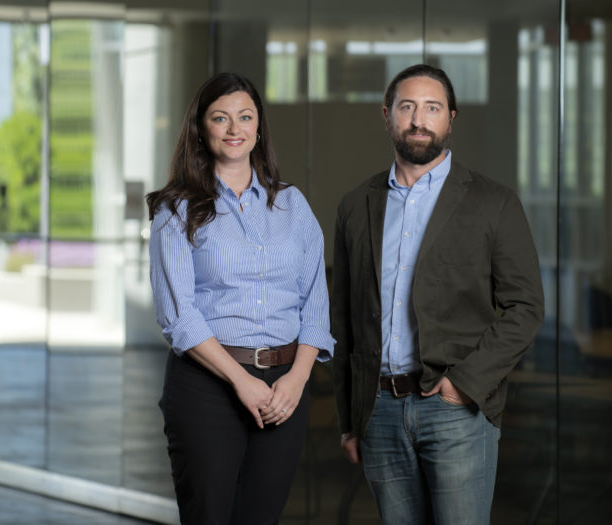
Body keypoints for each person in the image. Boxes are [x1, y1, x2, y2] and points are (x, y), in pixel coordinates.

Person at [331, 64, 545, 524]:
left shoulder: (493, 202)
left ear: (451, 118)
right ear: (387, 115)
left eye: (432, 108)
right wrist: (349, 419)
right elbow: (344, 319)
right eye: (407, 107)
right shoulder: (356, 204)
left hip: (455, 411)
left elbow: (526, 308)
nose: (418, 120)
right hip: (380, 412)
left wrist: (461, 386)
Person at [147, 72, 334, 525]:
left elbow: (315, 305)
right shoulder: (176, 210)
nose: (235, 129)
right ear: (201, 128)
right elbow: (180, 317)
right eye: (221, 118)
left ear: (258, 126)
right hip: (207, 388)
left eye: (245, 117)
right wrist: (240, 380)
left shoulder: (293, 205)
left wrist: (296, 380)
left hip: (284, 390)